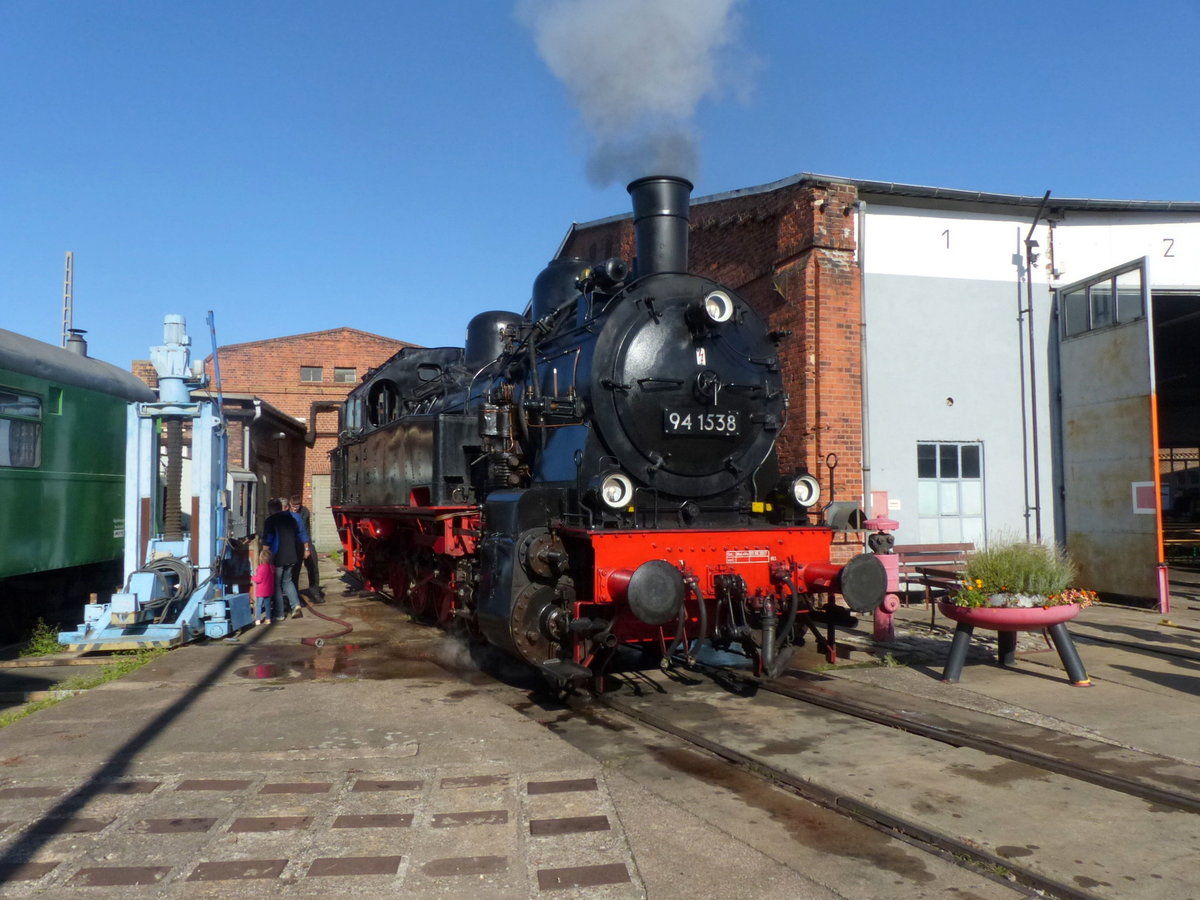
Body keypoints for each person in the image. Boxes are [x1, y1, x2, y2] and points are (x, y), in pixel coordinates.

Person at [262, 498, 304, 620]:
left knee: (277, 585)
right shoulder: (291, 519)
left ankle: (279, 613)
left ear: (270, 509)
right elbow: (297, 534)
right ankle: (295, 606)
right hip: (292, 555)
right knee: (288, 581)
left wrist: (264, 557)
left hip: (278, 557)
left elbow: (267, 540)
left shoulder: (270, 521)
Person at [289, 493, 323, 601]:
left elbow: (301, 530)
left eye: (297, 506)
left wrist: (307, 548)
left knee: (313, 567)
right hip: (294, 544)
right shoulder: (288, 514)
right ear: (290, 504)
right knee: (295, 569)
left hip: (306, 541)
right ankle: (294, 594)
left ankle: (314, 591)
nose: (295, 508)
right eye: (293, 506)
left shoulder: (304, 512)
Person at [251, 544, 275, 625]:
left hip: (261, 591)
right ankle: (268, 619)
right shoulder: (272, 567)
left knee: (258, 605)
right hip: (269, 590)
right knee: (268, 605)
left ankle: (258, 620)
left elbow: (259, 579)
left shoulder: (260, 568)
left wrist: (252, 577)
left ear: (261, 558)